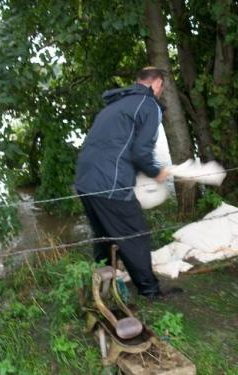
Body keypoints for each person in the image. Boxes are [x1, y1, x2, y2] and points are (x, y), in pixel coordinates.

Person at [75, 67, 181, 299]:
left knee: (104, 234)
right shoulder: (149, 105)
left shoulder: (116, 104)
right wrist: (157, 172)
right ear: (155, 85)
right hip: (110, 183)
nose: (161, 92)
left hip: (84, 180)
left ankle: (102, 283)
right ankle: (150, 291)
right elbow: (140, 153)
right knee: (136, 236)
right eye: (162, 87)